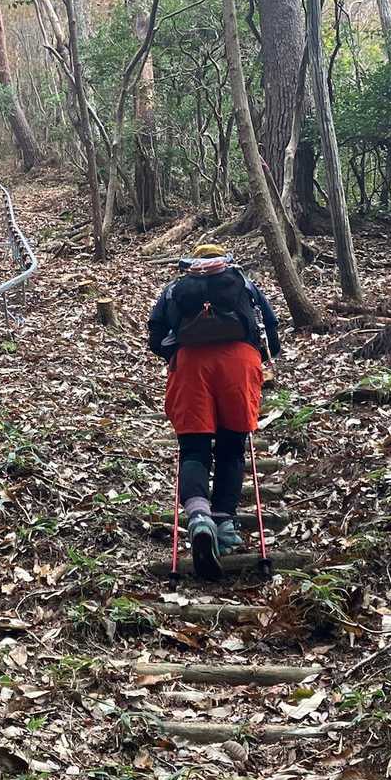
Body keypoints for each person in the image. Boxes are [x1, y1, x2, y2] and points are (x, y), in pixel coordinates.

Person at [147, 243, 280, 579]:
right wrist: (257, 357)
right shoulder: (243, 282)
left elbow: (155, 335)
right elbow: (270, 327)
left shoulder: (177, 288)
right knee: (232, 448)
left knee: (194, 449)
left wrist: (176, 354)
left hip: (191, 367)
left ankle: (198, 516)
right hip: (239, 364)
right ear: (223, 261)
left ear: (194, 262)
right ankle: (224, 524)